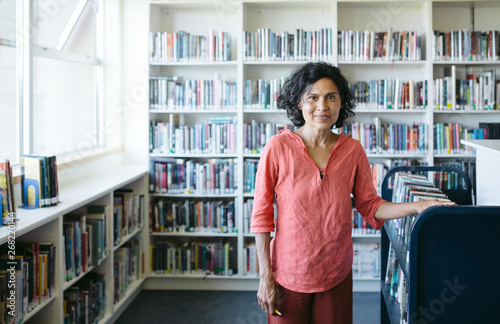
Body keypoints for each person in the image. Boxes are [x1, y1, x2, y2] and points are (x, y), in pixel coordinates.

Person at [250, 61, 454, 324]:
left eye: (331, 97)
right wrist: (265, 276)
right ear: (299, 103)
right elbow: (261, 217)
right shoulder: (277, 148)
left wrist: (417, 207)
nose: (322, 106)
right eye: (313, 98)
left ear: (340, 103)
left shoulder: (353, 150)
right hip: (289, 273)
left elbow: (370, 205)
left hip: (336, 272)